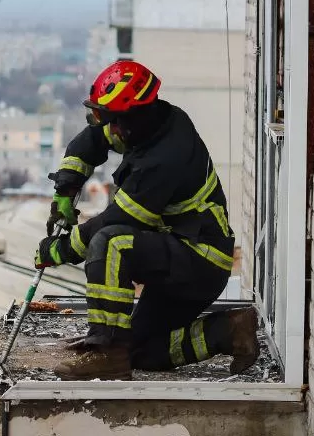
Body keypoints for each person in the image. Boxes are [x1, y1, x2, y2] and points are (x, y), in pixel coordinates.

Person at [34, 58, 259, 380]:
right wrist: (65, 190)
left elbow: (116, 219)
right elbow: (92, 139)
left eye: (113, 121)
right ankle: (229, 330)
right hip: (174, 254)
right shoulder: (148, 122)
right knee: (140, 352)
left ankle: (107, 353)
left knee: (111, 242)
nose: (109, 129)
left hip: (200, 262)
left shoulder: (165, 158)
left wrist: (60, 250)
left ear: (133, 116)